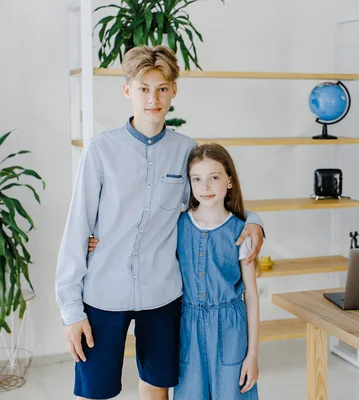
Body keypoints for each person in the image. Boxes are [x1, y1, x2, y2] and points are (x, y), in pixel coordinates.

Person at [56, 45, 265, 400]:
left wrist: (255, 223)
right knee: (95, 390)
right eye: (143, 88)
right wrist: (71, 310)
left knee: (157, 386)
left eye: (162, 88)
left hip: (162, 294)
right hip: (104, 290)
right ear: (127, 91)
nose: (153, 99)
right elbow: (77, 227)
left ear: (173, 91)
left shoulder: (186, 149)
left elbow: (210, 204)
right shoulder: (100, 149)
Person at [174, 143, 259, 399]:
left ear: (229, 181)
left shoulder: (242, 231)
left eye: (214, 178)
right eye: (196, 179)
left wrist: (252, 355)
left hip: (231, 330)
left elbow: (252, 296)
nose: (205, 187)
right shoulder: (177, 226)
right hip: (187, 328)